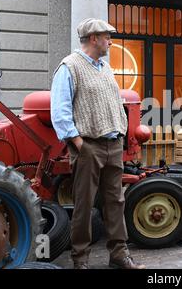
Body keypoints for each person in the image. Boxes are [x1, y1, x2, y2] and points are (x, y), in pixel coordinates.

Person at [50, 18, 145, 269]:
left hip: (113, 144)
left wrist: (121, 133)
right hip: (88, 147)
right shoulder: (69, 67)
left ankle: (119, 255)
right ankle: (80, 260)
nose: (110, 41)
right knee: (84, 205)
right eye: (106, 37)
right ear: (93, 39)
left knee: (116, 202)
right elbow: (59, 112)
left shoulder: (104, 67)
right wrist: (80, 144)